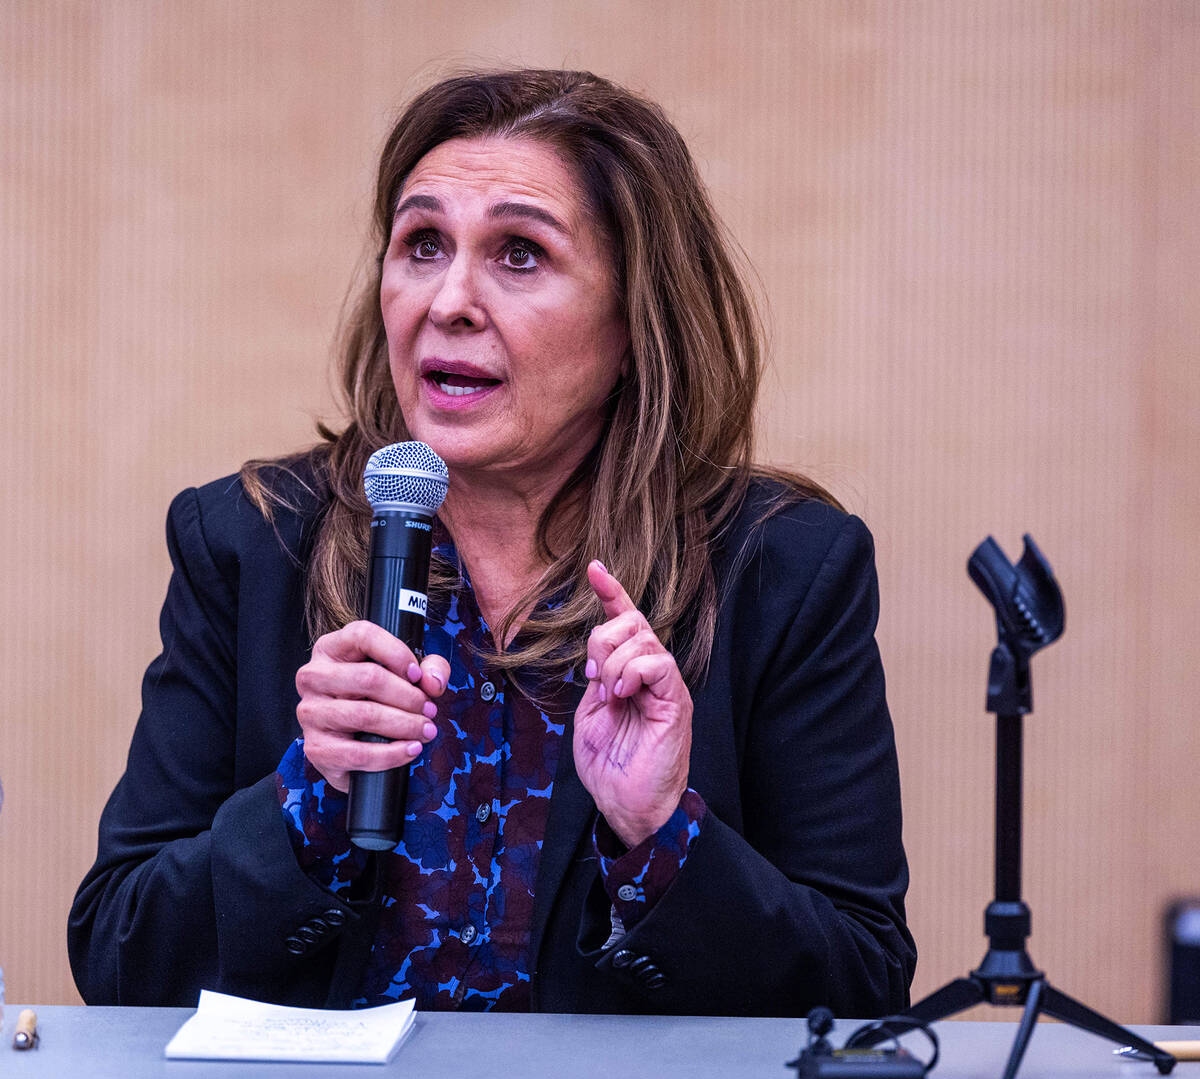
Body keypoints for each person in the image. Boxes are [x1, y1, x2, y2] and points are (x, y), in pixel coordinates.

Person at [69, 69, 915, 1015]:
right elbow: (116, 955)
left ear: (636, 321)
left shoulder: (778, 569)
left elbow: (863, 983)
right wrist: (306, 802)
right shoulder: (252, 542)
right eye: (422, 245)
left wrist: (660, 834)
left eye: (519, 255)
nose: (450, 301)